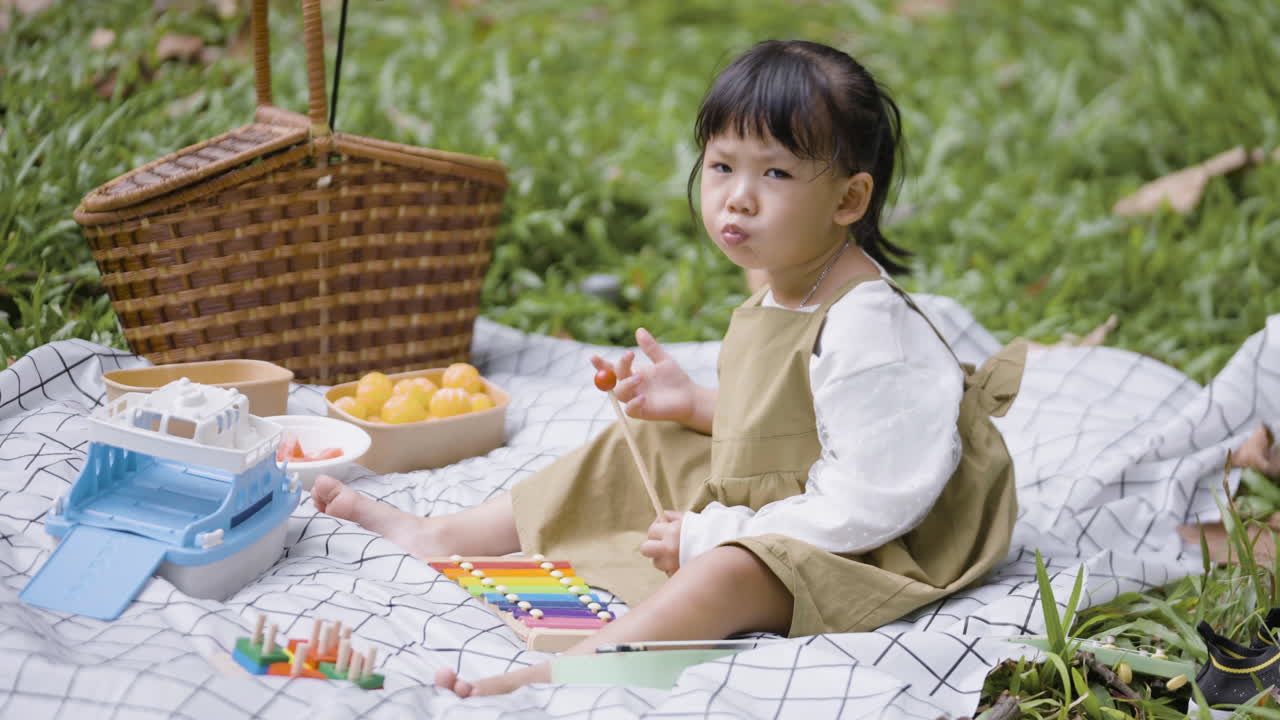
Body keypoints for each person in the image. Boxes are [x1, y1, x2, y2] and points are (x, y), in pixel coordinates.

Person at [312, 39, 1026, 697]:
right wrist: (695, 406)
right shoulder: (787, 277)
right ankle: (452, 536)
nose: (737, 196)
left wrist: (713, 533)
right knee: (649, 444)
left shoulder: (872, 331)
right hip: (823, 488)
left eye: (774, 171)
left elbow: (872, 496)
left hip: (880, 541)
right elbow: (798, 424)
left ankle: (585, 664)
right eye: (722, 166)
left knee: (731, 570)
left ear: (849, 199)